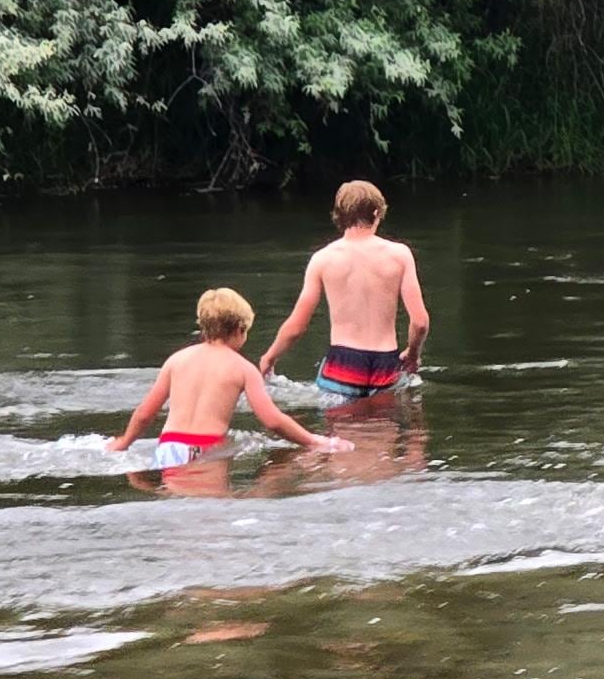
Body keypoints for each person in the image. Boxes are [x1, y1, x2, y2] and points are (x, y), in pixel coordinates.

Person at [107, 289, 350, 469]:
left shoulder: (176, 360)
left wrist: (124, 443)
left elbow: (144, 413)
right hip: (203, 448)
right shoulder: (243, 368)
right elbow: (273, 421)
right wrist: (315, 441)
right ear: (239, 329)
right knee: (212, 512)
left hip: (168, 446)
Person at [258, 180, 430, 400]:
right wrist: (413, 354)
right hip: (386, 365)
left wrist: (269, 358)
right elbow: (420, 322)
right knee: (384, 429)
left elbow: (297, 327)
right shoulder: (400, 255)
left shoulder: (323, 259)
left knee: (343, 430)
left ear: (340, 215)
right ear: (377, 212)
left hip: (343, 364)